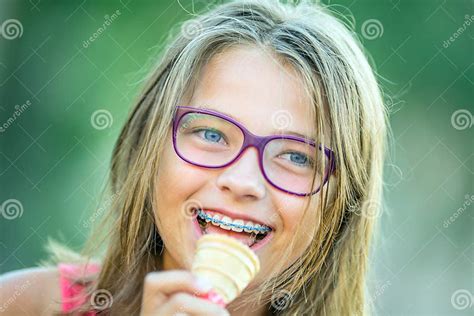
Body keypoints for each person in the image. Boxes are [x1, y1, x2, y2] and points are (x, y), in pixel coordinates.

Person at [0, 0, 388, 315]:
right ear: (148, 147)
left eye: (296, 157)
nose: (243, 181)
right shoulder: (22, 305)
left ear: (342, 204)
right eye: (211, 133)